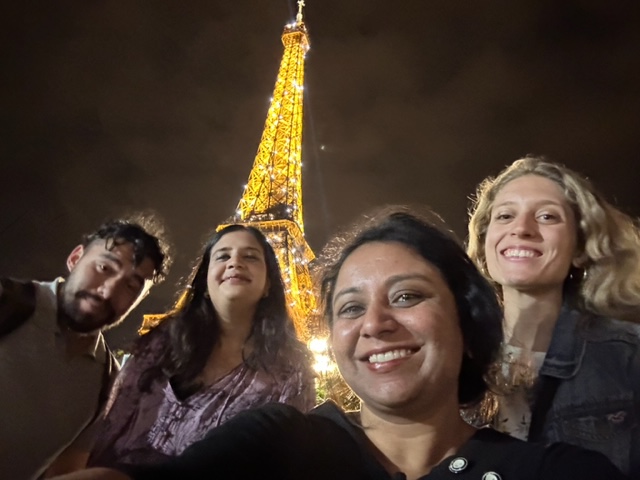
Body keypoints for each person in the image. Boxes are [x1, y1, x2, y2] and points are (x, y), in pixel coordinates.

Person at [51, 208, 627, 480]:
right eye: (350, 307)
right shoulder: (284, 440)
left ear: (468, 321)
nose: (375, 323)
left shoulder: (553, 472)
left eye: (407, 296)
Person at [83, 224, 315, 468]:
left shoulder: (291, 373)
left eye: (250, 256)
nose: (235, 262)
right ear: (204, 281)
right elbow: (109, 427)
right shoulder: (161, 342)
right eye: (223, 256)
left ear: (268, 284)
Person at [467, 155, 640, 476]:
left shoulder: (629, 355)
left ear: (580, 248)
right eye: (505, 216)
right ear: (484, 242)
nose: (522, 229)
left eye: (547, 216)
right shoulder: (453, 357)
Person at [0, 215, 171, 480]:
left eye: (130, 286)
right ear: (75, 258)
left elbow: (65, 470)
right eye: (104, 267)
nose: (107, 291)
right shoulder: (7, 303)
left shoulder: (106, 381)